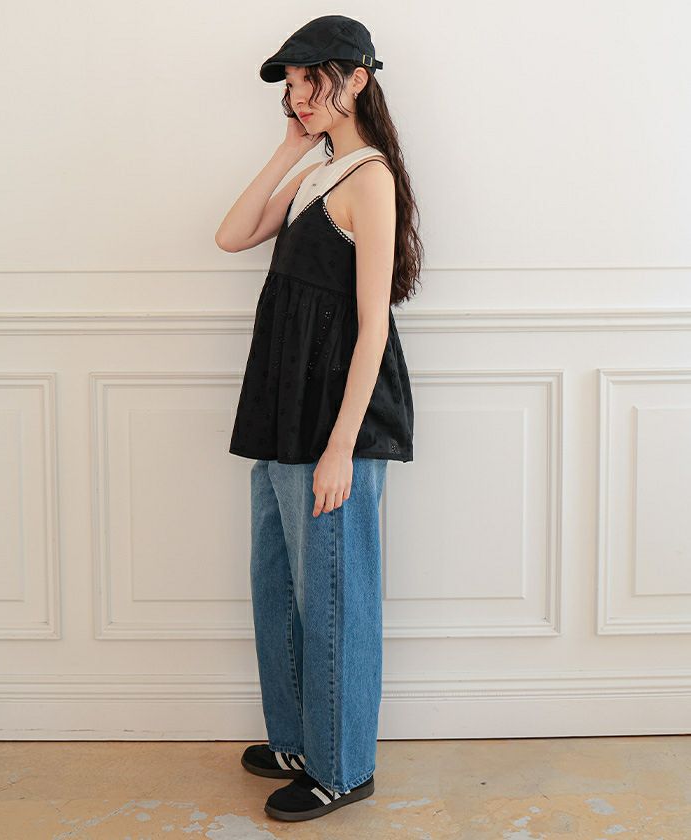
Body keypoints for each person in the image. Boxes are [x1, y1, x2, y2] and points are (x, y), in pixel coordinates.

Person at [215, 15, 423, 822]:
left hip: (334, 417)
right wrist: (291, 148)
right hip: (281, 408)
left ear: (357, 80)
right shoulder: (322, 169)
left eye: (311, 82)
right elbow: (231, 235)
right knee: (279, 584)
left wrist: (341, 447)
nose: (299, 97)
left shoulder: (370, 177)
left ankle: (342, 766)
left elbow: (373, 326)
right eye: (293, 87)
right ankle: (299, 740)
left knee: (335, 594)